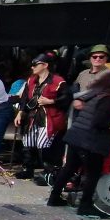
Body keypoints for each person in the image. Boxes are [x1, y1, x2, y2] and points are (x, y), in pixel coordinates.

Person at [48, 69, 110, 217]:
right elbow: (99, 122)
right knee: (93, 174)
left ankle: (54, 197)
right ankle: (85, 205)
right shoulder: (109, 99)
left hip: (76, 136)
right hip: (90, 141)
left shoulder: (99, 93)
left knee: (69, 168)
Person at [14, 53, 71, 185]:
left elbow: (67, 98)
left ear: (45, 65)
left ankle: (48, 174)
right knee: (28, 142)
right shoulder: (31, 80)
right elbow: (24, 98)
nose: (32, 66)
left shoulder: (58, 81)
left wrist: (51, 101)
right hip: (32, 117)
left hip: (49, 117)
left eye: (36, 64)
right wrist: (20, 112)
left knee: (44, 145)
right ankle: (28, 169)